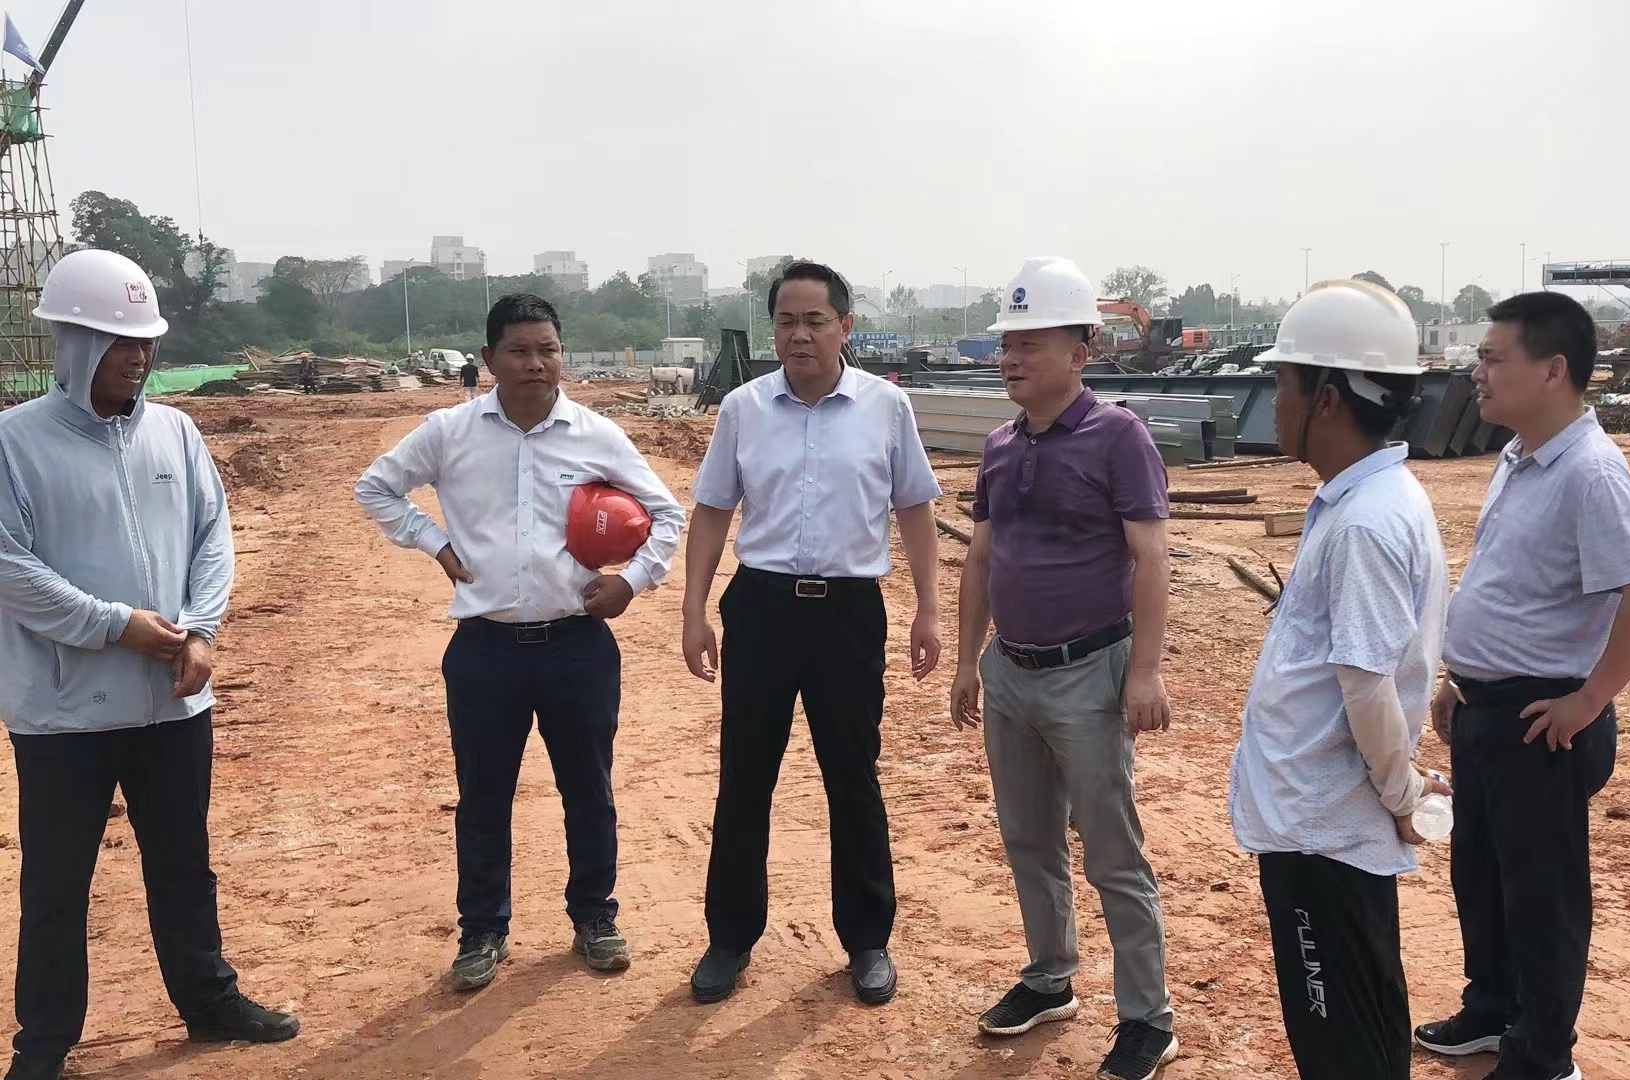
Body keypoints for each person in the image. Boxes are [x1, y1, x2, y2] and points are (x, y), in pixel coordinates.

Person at [0, 249, 298, 1080]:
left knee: (182, 863)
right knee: (57, 884)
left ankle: (208, 1001)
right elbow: (10, 567)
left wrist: (200, 630)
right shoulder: (15, 444)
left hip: (172, 701)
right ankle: (43, 1044)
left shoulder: (176, 432)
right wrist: (114, 626)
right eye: (117, 341)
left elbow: (213, 537)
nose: (136, 356)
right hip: (62, 713)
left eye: (143, 341)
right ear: (71, 343)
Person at [354, 293, 685, 992]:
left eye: (548, 350)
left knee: (588, 791)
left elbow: (667, 514)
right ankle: (482, 930)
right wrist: (433, 542)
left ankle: (595, 917)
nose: (537, 364)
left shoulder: (596, 435)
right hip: (486, 650)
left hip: (577, 646)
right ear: (489, 358)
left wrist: (631, 583)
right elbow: (377, 487)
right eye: (520, 351)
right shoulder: (449, 432)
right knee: (483, 798)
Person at [1418, 293, 1630, 1080]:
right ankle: (1493, 1011)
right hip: (1487, 709)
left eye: (1493, 358)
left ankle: (1542, 1054)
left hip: (1542, 719)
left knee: (1541, 894)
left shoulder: (1591, 471)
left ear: (1552, 369)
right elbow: (1512, 585)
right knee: (1482, 874)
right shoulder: (1519, 456)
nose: (1477, 372)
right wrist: (1461, 679)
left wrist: (1589, 700)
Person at [680, 261, 941, 1007]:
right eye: (786, 322)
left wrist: (928, 608)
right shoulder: (743, 408)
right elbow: (712, 511)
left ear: (845, 326)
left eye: (815, 321)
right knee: (746, 774)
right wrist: (694, 610)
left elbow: (915, 508)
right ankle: (730, 937)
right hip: (761, 607)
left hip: (848, 614)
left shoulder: (886, 407)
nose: (799, 335)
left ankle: (867, 940)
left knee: (852, 775)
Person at [949, 257, 1178, 1080]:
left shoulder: (1119, 437)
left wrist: (1143, 671)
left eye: (1030, 344)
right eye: (1006, 344)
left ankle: (1148, 1018)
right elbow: (982, 558)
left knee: (1112, 851)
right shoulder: (1000, 444)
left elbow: (1151, 557)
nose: (1010, 358)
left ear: (1080, 352)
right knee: (1029, 838)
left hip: (1090, 672)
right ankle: (1050, 976)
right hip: (1011, 671)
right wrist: (970, 661)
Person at [1226, 280, 1449, 1080]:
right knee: (1365, 1017)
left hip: (1323, 829)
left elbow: (1367, 682)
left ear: (1326, 398)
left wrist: (1403, 793)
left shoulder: (1364, 522)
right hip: (1322, 819)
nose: (1273, 402)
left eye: (1283, 383)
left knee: (1337, 1037)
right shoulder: (1371, 499)